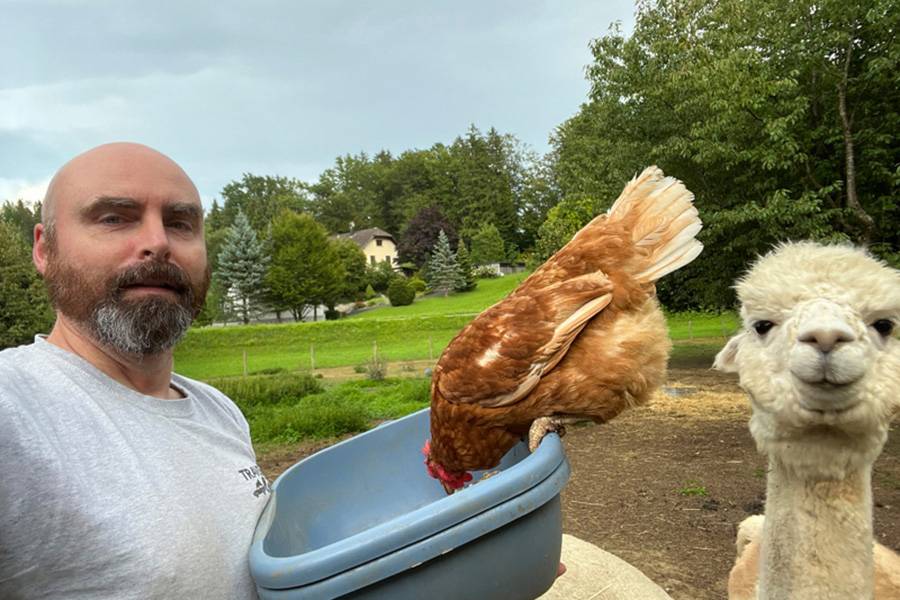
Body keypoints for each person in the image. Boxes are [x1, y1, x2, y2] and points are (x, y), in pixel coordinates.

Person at [0, 143, 270, 599]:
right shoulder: (12, 410)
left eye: (180, 223)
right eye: (114, 217)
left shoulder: (218, 412)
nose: (158, 242)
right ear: (45, 250)